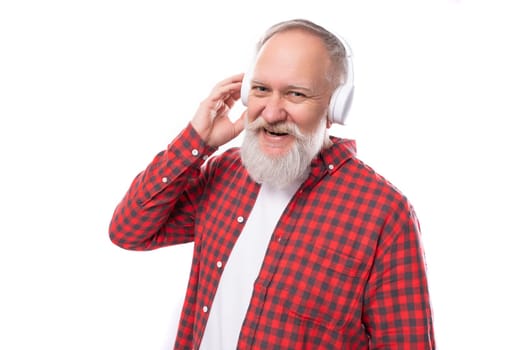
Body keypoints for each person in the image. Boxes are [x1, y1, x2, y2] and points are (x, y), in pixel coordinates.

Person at [109, 18, 435, 349]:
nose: (272, 111)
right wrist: (198, 142)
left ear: (335, 107)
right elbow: (130, 231)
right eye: (261, 90)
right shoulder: (226, 172)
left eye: (296, 94)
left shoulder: (384, 213)